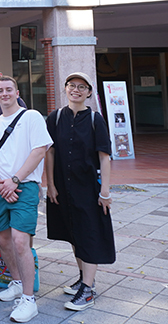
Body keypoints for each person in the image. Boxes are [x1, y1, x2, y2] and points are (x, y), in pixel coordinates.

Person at [0, 76, 53, 323]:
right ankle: (17, 282)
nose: (4, 94)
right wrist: (1, 184)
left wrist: (15, 180)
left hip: (24, 186)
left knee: (21, 241)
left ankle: (29, 300)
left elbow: (39, 151)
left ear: (17, 92)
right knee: (3, 240)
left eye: (8, 89)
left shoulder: (31, 116)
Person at [46, 72, 115, 312]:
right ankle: (84, 277)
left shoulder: (96, 119)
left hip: (87, 187)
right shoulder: (55, 118)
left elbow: (104, 157)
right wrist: (51, 185)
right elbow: (50, 152)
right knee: (72, 232)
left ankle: (88, 289)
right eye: (71, 85)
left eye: (81, 87)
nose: (75, 90)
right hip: (62, 187)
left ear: (88, 92)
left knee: (89, 234)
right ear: (65, 88)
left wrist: (104, 191)